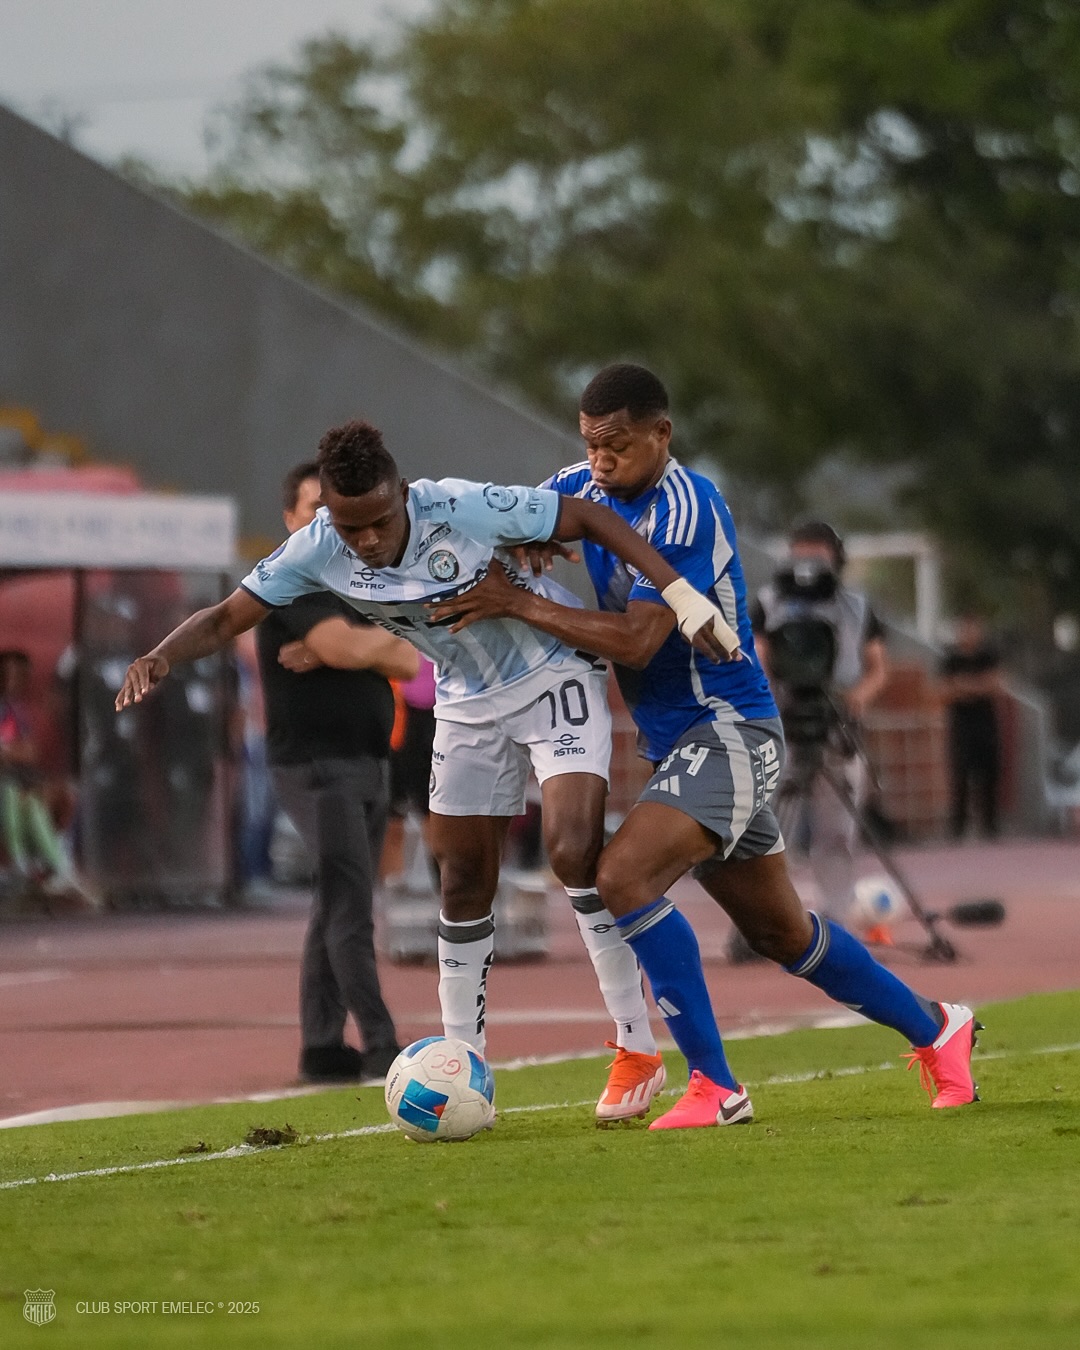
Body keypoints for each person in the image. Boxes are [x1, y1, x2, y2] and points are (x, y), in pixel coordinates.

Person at [115, 422, 737, 1118]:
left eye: (381, 521)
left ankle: (635, 1047)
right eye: (353, 530)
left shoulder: (462, 505)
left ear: (403, 495)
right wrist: (161, 655)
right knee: (462, 878)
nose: (370, 541)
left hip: (549, 673)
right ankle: (461, 1067)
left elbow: (586, 514)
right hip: (466, 704)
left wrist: (679, 595)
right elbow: (228, 614)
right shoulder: (316, 549)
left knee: (571, 853)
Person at [433, 363, 979, 1128]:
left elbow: (635, 637)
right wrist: (524, 549)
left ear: (662, 434)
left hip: (730, 731)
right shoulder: (580, 485)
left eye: (617, 445)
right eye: (590, 445)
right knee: (781, 932)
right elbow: (531, 519)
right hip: (681, 746)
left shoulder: (689, 511)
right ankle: (938, 1026)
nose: (600, 462)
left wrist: (516, 603)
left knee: (621, 876)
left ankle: (714, 1085)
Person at [255, 461, 419, 1083]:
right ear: (288, 518)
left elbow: (409, 658)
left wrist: (354, 646)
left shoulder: (357, 582)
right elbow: (352, 647)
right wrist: (358, 646)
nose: (322, 519)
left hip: (370, 761)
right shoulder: (288, 582)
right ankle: (381, 1043)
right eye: (309, 507)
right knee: (350, 903)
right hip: (316, 764)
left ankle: (321, 1046)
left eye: (330, 509)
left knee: (337, 901)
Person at [751, 521, 889, 924]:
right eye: (801, 550)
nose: (808, 561)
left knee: (837, 834)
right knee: (770, 828)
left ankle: (838, 920)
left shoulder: (858, 606)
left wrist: (855, 699)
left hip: (836, 728)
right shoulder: (768, 602)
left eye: (818, 551)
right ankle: (769, 920)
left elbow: (879, 668)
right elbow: (756, 656)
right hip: (781, 726)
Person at [940, 614, 1003, 839]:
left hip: (986, 724)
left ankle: (990, 826)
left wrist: (965, 687)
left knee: (989, 774)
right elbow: (945, 691)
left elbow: (995, 685)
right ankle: (958, 828)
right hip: (961, 725)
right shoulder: (951, 659)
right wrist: (975, 687)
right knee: (961, 774)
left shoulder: (989, 656)